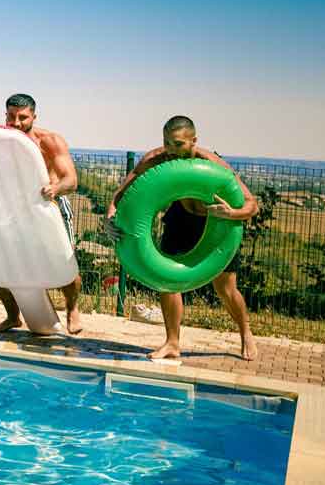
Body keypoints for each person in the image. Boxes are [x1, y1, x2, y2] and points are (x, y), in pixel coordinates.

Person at [104, 116, 260, 361]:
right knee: (168, 279)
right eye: (167, 143)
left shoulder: (211, 164)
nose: (171, 150)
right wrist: (110, 217)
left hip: (215, 221)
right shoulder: (156, 159)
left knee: (226, 288)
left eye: (177, 144)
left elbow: (252, 205)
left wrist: (232, 213)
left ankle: (245, 333)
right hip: (181, 218)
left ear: (193, 141)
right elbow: (121, 195)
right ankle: (172, 343)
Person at [0, 94, 84, 334]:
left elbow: (71, 180)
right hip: (11, 209)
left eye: (23, 117)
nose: (16, 123)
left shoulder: (50, 141)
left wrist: (55, 188)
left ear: (34, 116)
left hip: (48, 207)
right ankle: (13, 316)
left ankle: (72, 309)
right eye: (11, 117)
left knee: (63, 259)